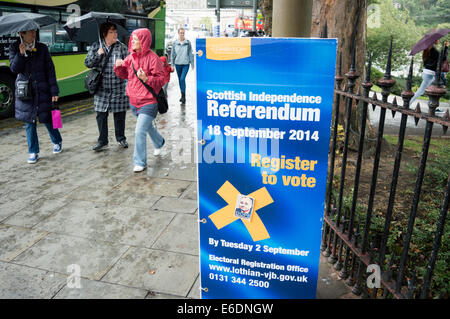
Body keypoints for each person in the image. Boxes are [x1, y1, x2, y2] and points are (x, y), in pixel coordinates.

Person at [114, 28, 165, 173]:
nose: (132, 41)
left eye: (136, 39)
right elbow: (125, 74)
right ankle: (159, 142)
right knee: (147, 127)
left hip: (149, 102)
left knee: (139, 131)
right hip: (134, 102)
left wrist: (147, 79)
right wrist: (118, 66)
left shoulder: (153, 58)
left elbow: (161, 79)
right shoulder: (130, 57)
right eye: (132, 38)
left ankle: (140, 162)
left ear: (144, 41)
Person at [9, 29, 62, 164]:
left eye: (34, 32)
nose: (34, 34)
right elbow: (14, 69)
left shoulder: (42, 48)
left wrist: (54, 91)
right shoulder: (14, 47)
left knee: (48, 118)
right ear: (22, 34)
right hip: (26, 92)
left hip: (43, 89)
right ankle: (33, 151)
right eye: (30, 32)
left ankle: (57, 141)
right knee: (29, 122)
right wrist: (20, 54)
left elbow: (51, 71)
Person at [84, 22, 129, 151]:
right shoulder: (96, 46)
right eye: (112, 32)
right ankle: (102, 141)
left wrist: (123, 64)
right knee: (101, 115)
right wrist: (98, 54)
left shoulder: (121, 47)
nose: (115, 34)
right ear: (104, 34)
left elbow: (130, 64)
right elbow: (87, 63)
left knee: (119, 114)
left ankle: (121, 138)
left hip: (118, 87)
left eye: (116, 31)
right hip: (101, 89)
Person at [410, 40, 449, 107]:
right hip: (429, 74)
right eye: (438, 39)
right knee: (421, 91)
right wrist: (446, 47)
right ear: (434, 41)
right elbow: (442, 58)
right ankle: (408, 103)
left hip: (428, 73)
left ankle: (434, 107)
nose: (439, 40)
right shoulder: (433, 49)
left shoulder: (428, 49)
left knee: (435, 91)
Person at [170, 28, 194, 104]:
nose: (182, 34)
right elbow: (172, 54)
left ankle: (183, 96)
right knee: (180, 80)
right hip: (177, 64)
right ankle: (182, 96)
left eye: (183, 33)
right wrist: (172, 65)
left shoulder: (188, 42)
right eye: (181, 33)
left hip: (186, 64)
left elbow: (190, 53)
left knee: (182, 79)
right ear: (178, 33)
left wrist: (192, 64)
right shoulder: (175, 43)